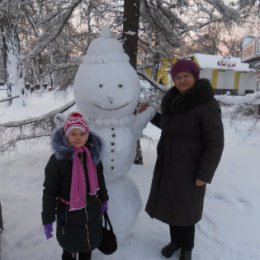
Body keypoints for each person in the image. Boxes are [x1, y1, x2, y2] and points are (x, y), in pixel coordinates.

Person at [145, 59, 224, 260]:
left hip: (191, 169)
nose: (182, 80)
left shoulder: (206, 104)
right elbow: (169, 125)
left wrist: (203, 174)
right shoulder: (173, 101)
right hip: (169, 165)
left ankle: (187, 248)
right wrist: (150, 114)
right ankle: (175, 242)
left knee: (186, 212)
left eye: (186, 76)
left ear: (195, 77)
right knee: (172, 208)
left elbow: (215, 143)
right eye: (178, 77)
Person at [42, 112, 109, 260]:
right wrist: (47, 219)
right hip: (68, 215)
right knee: (69, 250)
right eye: (73, 133)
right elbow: (49, 192)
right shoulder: (58, 161)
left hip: (91, 211)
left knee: (87, 248)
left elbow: (100, 180)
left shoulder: (93, 156)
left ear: (87, 135)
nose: (78, 137)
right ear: (66, 135)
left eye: (82, 133)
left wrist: (104, 199)